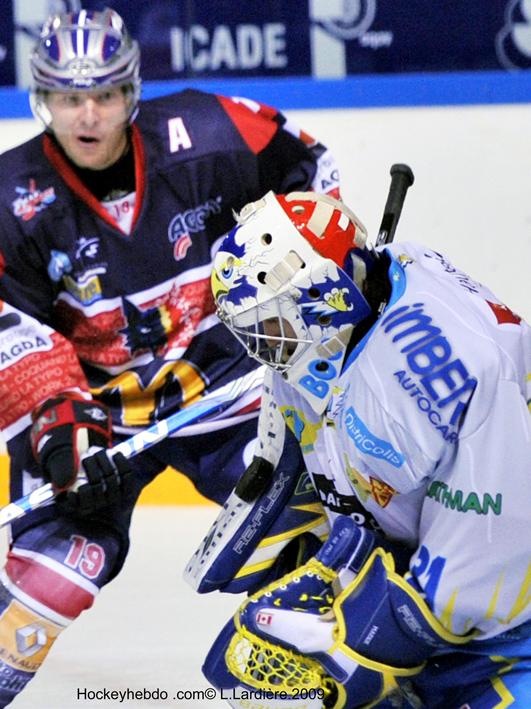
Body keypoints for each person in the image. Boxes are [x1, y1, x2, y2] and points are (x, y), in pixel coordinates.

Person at [0, 8, 339, 705]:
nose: (88, 114)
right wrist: (60, 428)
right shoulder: (13, 199)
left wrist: (297, 283)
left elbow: (312, 171)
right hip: (98, 414)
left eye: (104, 95)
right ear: (42, 99)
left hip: (222, 381)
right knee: (50, 579)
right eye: (69, 97)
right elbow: (10, 326)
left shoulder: (208, 132)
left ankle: (360, 676)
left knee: (310, 530)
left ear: (132, 91)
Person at [204, 189, 531, 708]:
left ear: (325, 293)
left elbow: (495, 537)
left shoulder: (450, 379)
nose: (262, 346)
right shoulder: (347, 316)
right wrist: (302, 529)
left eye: (270, 326)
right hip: (451, 609)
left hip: (513, 633)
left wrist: (363, 644)